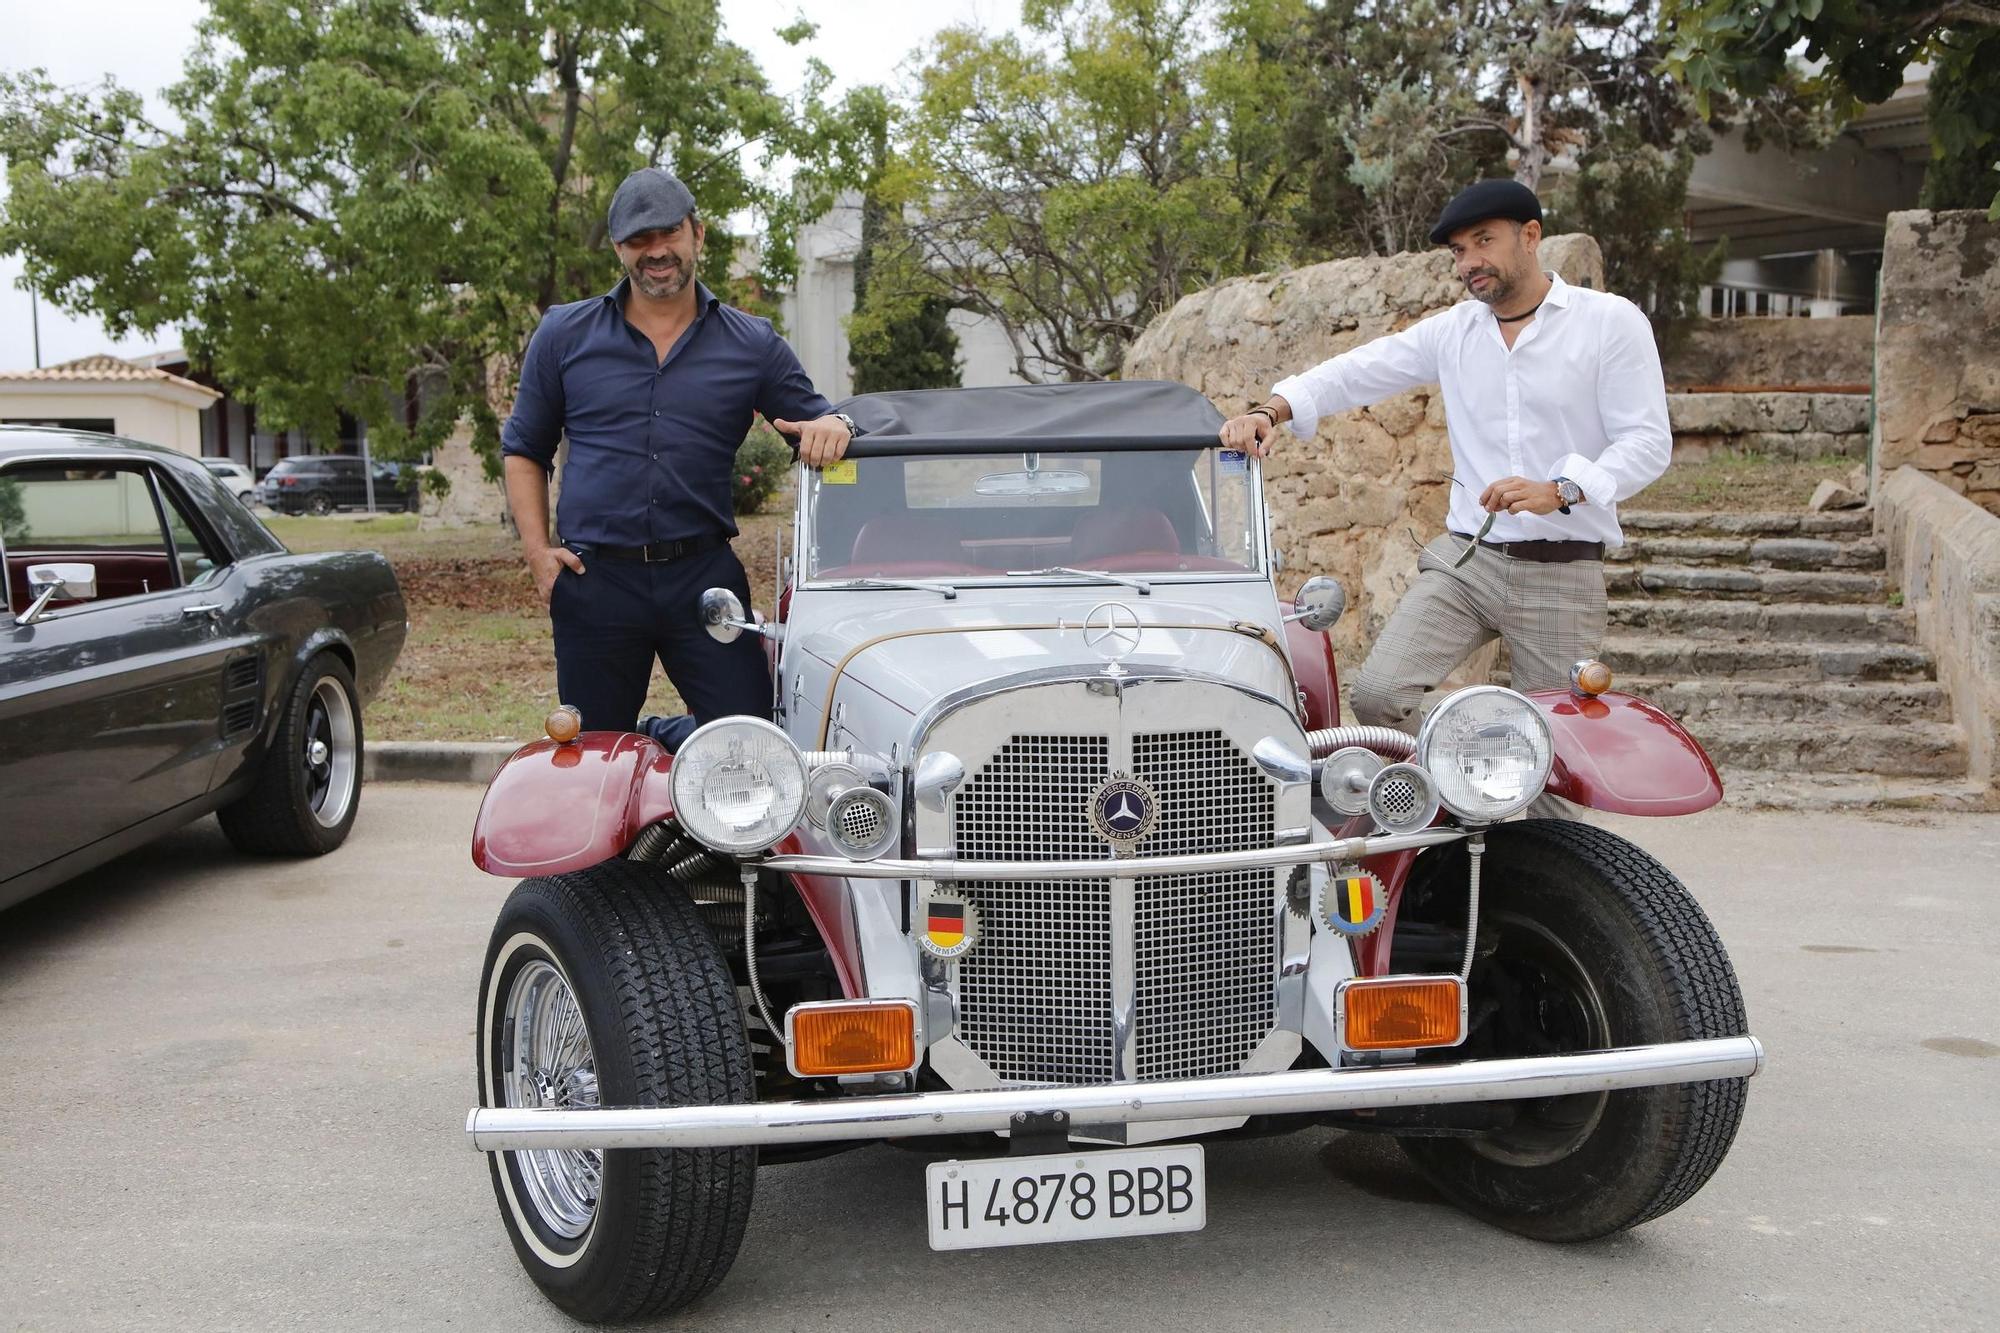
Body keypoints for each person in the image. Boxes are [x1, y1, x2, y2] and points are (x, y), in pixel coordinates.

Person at [1219, 178, 1671, 733]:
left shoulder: (1610, 321)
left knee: (1562, 744)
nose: (1470, 261)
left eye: (1484, 241)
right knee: (1380, 696)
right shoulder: (1453, 331)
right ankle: (1463, 781)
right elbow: (1359, 369)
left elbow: (1647, 442)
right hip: (1468, 561)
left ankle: (1536, 816)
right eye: (1459, 250)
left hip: (1564, 569)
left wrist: (1562, 490)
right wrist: (1271, 410)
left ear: (1531, 236)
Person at [501, 167, 855, 750]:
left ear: (698, 234)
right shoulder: (564, 334)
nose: (656, 251)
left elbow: (818, 421)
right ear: (619, 249)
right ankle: (621, 835)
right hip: (596, 582)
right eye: (639, 240)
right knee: (594, 756)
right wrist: (540, 555)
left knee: (748, 745)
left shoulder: (751, 343)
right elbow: (524, 450)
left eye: (668, 233)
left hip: (705, 580)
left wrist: (835, 425)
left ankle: (679, 762)